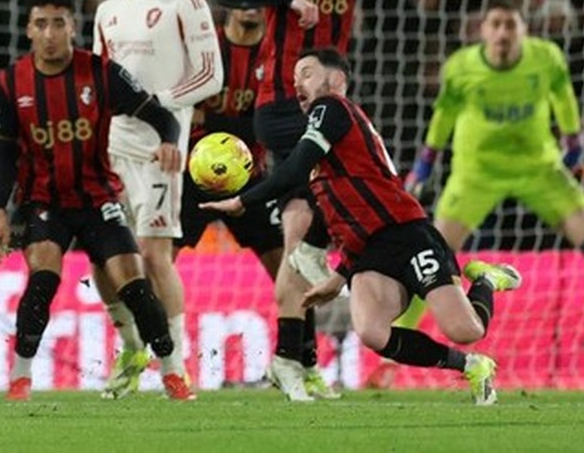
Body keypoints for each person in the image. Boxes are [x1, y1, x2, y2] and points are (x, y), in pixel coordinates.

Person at [202, 48, 521, 405]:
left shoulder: (332, 108)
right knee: (372, 332)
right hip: (366, 252)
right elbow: (343, 214)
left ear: (336, 80)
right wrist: (337, 278)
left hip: (406, 233)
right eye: (293, 80)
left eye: (306, 74)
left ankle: (485, 281)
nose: (297, 86)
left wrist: (242, 201)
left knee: (465, 329)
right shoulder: (330, 151)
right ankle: (472, 366)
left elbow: (291, 171)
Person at [214, 0, 415, 401]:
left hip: (326, 111)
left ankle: (295, 362)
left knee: (300, 235)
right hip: (282, 109)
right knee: (312, 227)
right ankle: (292, 355)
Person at [402, 0, 584, 386]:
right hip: (476, 173)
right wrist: (424, 164)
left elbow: (563, 96)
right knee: (430, 260)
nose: (503, 33)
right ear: (483, 30)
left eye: (510, 25)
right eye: (496, 25)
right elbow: (444, 114)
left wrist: (573, 142)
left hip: (540, 168)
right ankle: (392, 359)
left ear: (523, 30)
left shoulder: (546, 58)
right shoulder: (462, 67)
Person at [0, 0, 190, 402]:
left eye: (59, 23)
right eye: (41, 24)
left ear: (72, 28)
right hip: (43, 201)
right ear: (28, 30)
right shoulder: (10, 83)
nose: (50, 33)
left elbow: (161, 116)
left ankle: (172, 372)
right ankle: (20, 379)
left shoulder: (101, 72)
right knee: (42, 279)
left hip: (98, 198)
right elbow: (4, 152)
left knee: (133, 284)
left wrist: (169, 141)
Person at [91, 0, 222, 400]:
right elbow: (99, 82)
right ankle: (130, 348)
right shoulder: (107, 11)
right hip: (110, 146)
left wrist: (157, 106)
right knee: (102, 256)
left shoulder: (186, 5)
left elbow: (211, 76)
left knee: (153, 254)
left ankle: (175, 362)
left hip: (160, 149)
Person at [175, 3, 284, 291]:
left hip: (249, 175)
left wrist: (206, 117)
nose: (250, 5)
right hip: (193, 172)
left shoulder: (274, 57)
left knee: (286, 267)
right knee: (158, 261)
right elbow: (176, 109)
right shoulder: (200, 51)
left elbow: (265, 127)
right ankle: (158, 335)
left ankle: (300, 337)